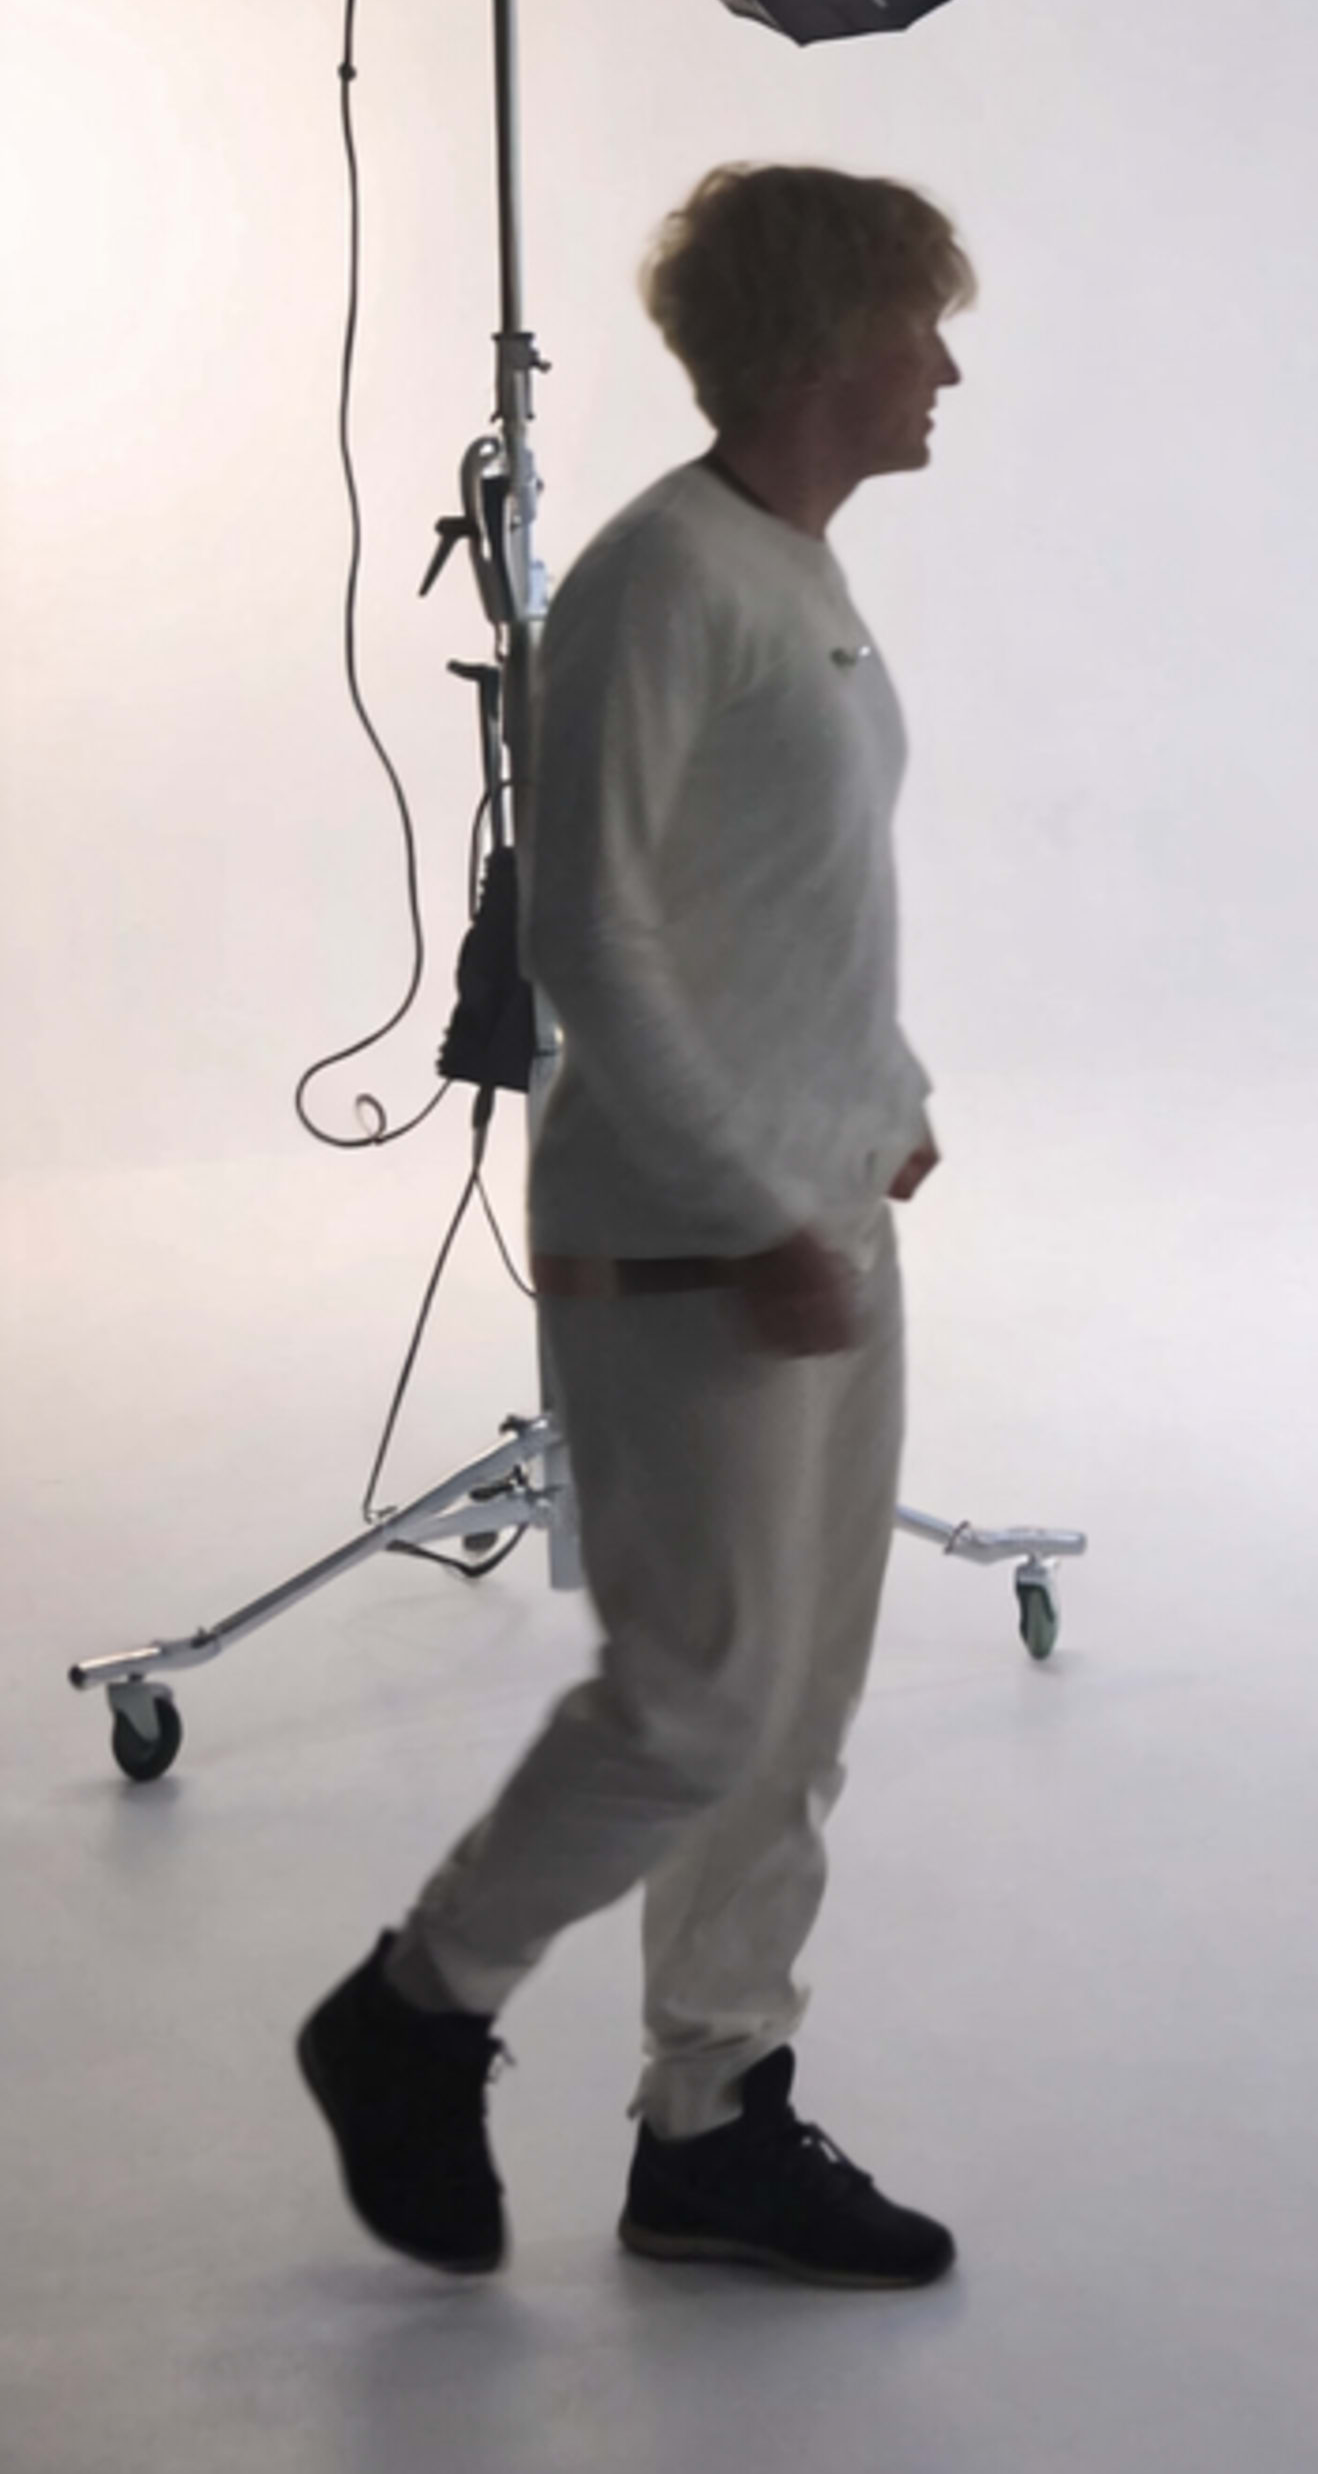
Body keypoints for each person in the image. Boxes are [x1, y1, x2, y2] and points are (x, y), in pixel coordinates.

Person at [295, 164, 975, 2288]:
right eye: (918, 330)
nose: (947, 368)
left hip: (819, 1221)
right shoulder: (657, 580)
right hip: (693, 1244)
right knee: (689, 1698)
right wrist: (755, 1196)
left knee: (795, 1711)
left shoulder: (799, 574)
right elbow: (587, 936)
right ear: (818, 348)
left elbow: (783, 914)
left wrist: (888, 1110)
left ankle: (715, 2125)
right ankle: (408, 2012)